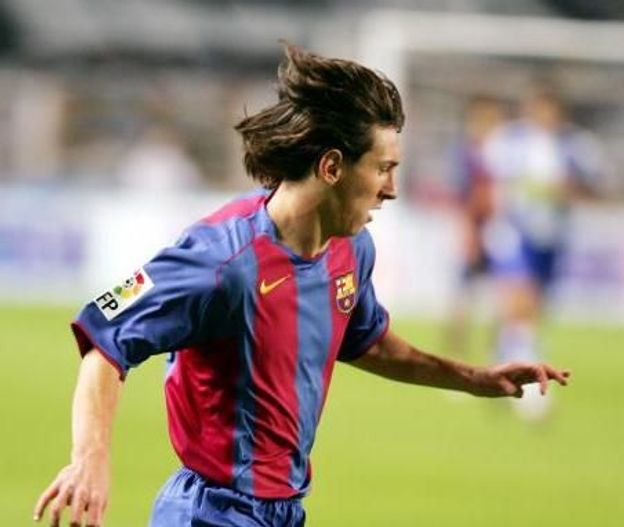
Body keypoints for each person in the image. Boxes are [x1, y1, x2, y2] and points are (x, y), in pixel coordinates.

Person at [33, 45, 570, 527]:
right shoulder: (222, 258)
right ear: (333, 166)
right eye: (383, 169)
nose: (392, 189)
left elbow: (368, 341)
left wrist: (472, 377)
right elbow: (108, 330)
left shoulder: (352, 249)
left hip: (285, 511)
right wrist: (90, 458)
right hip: (211, 512)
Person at [479, 84, 601, 419]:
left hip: (551, 239)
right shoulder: (510, 141)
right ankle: (531, 386)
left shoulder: (575, 146)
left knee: (531, 309)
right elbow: (491, 178)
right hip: (515, 233)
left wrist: (566, 189)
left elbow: (591, 183)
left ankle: (499, 367)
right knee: (522, 304)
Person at [446, 96, 506, 357]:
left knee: (502, 296)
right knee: (464, 296)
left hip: (499, 232)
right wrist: (469, 233)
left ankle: (497, 352)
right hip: (475, 231)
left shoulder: (502, 152)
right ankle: (455, 354)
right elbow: (463, 198)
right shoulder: (466, 154)